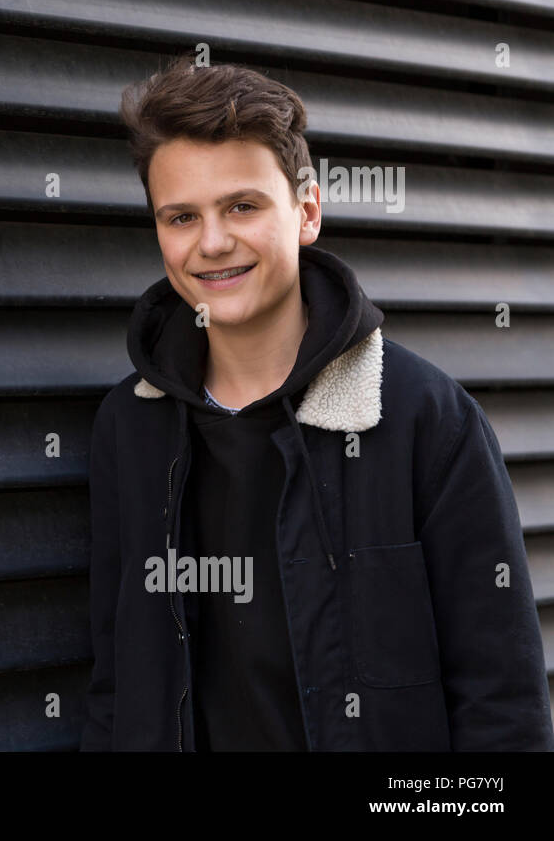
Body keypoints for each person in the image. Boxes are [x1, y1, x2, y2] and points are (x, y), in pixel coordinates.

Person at [80, 50, 553, 751]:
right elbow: (116, 684)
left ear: (306, 212)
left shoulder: (425, 418)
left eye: (242, 205)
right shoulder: (131, 423)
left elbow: (503, 706)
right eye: (181, 217)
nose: (211, 243)